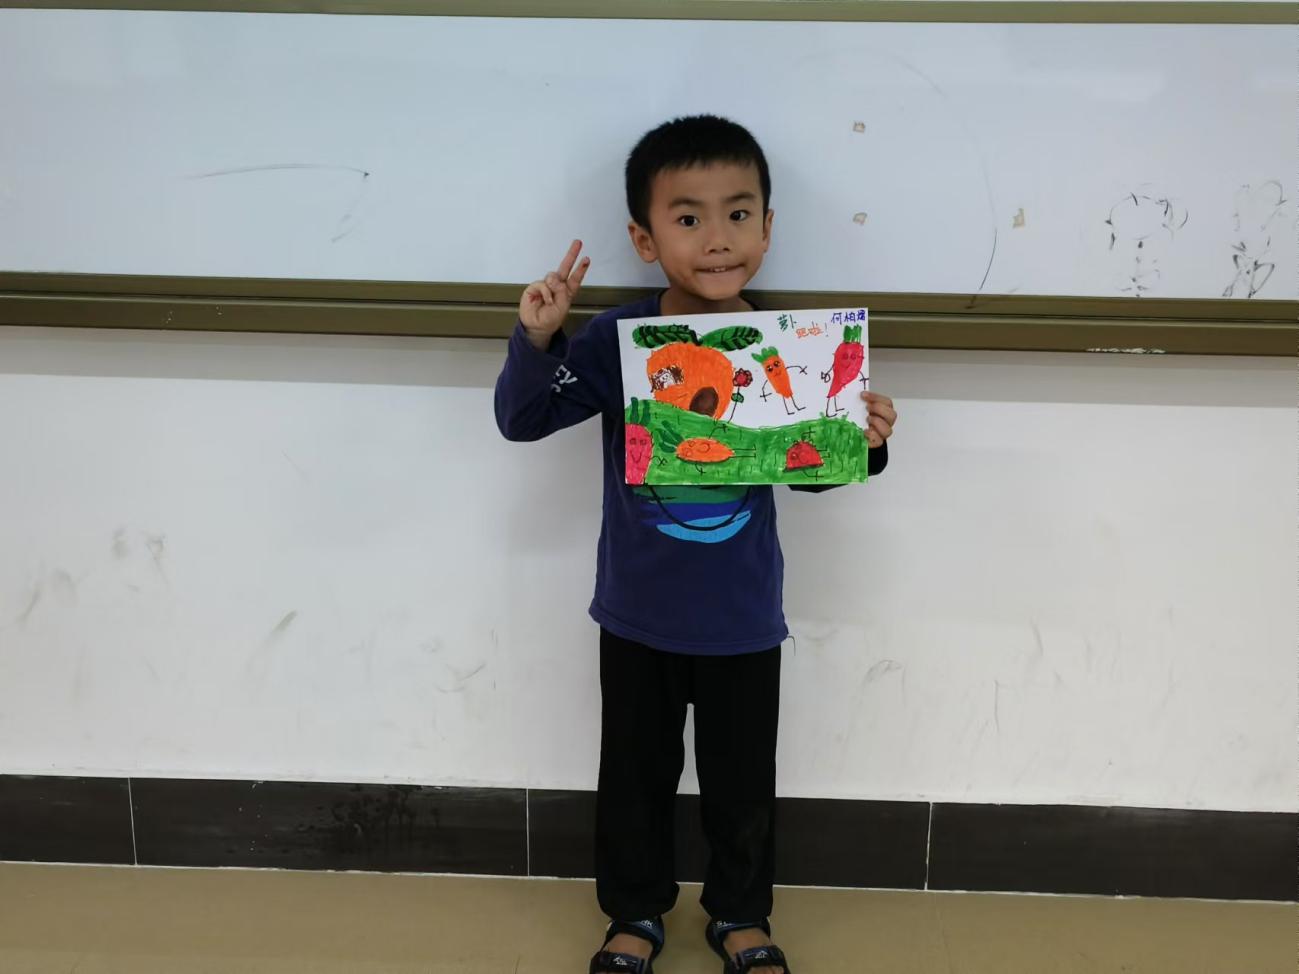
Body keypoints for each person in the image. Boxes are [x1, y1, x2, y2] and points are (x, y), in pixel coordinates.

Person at [494, 115, 896, 974]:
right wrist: (537, 338)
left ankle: (740, 916)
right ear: (644, 239)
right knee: (633, 778)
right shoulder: (616, 339)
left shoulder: (788, 348)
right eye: (687, 218)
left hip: (741, 617)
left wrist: (864, 442)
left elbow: (811, 474)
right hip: (636, 613)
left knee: (740, 783)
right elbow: (524, 419)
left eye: (737, 214)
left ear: (766, 228)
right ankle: (633, 915)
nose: (717, 239)